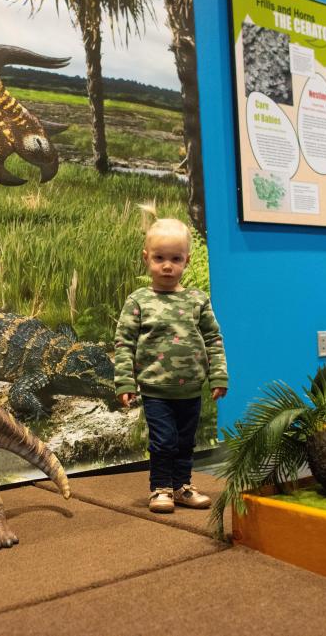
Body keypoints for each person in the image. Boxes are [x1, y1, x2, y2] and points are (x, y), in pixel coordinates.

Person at [114, 218, 228, 513]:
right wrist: (125, 382)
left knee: (186, 441)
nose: (167, 266)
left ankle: (182, 486)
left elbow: (213, 338)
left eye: (175, 259)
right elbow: (124, 343)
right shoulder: (138, 300)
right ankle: (160, 488)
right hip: (156, 389)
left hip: (191, 389)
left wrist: (218, 375)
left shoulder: (196, 300)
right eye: (159, 258)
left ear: (186, 260)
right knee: (164, 440)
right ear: (146, 258)